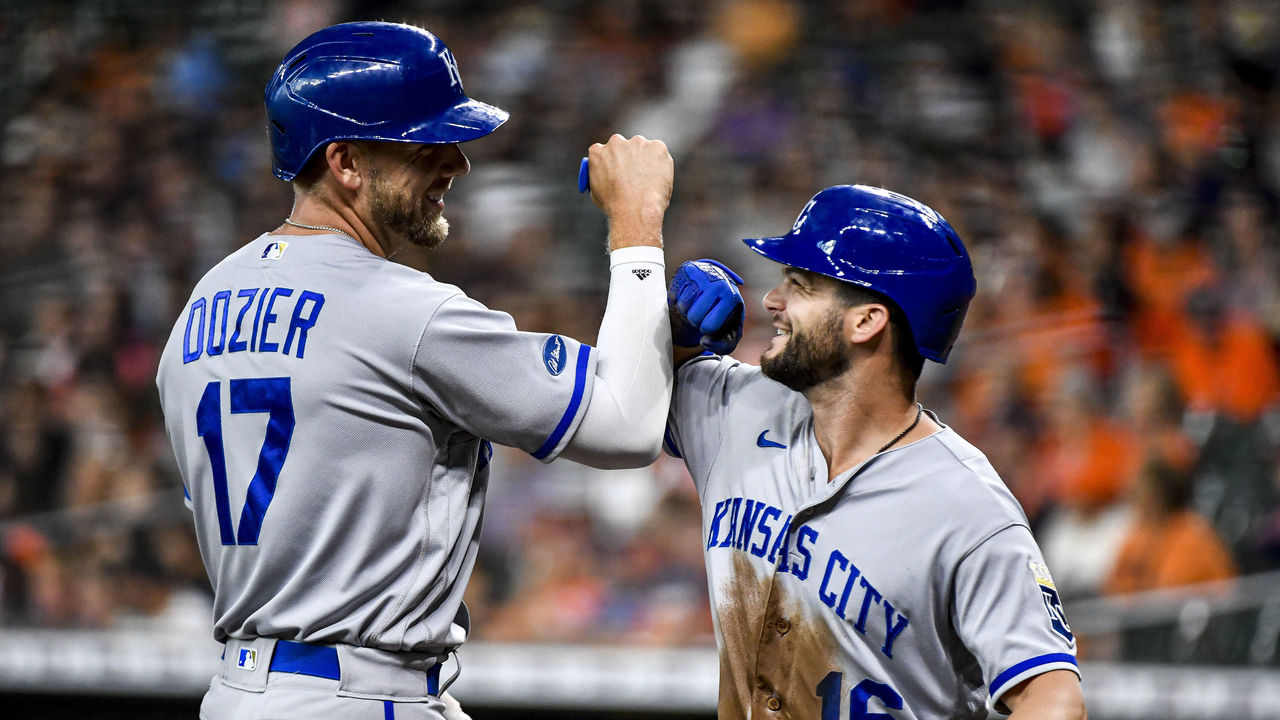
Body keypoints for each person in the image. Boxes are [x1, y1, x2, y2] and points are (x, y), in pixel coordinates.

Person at [155, 21, 674, 720]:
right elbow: (626, 427)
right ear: (344, 161)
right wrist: (636, 229)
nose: (456, 163)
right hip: (360, 694)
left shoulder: (202, 305)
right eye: (424, 143)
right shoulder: (405, 311)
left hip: (240, 693)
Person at [664, 185, 1087, 719]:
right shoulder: (742, 411)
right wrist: (676, 330)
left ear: (866, 321)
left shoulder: (969, 506)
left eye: (800, 285)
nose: (772, 300)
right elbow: (627, 398)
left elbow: (1053, 700)